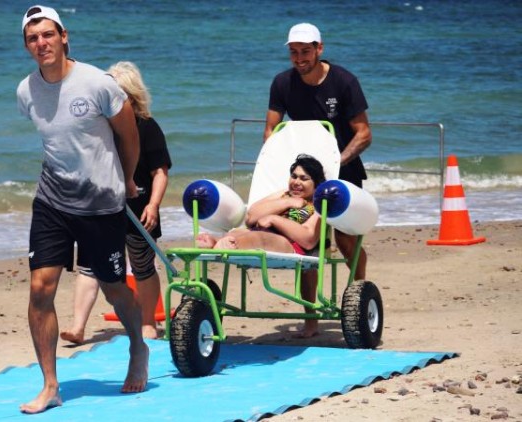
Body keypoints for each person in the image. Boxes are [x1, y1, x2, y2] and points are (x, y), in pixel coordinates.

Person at [16, 5, 148, 414]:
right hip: (52, 201)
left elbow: (129, 137)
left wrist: (125, 182)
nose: (42, 43)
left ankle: (139, 348)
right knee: (40, 288)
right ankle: (51, 385)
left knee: (112, 288)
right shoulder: (26, 92)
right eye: (33, 38)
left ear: (63, 36)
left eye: (47, 34)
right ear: (28, 45)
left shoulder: (98, 84)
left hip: (101, 204)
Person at [264, 23, 372, 333]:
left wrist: (336, 164)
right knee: (308, 246)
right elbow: (271, 130)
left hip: (344, 172)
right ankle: (310, 317)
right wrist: (281, 169)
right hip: (307, 177)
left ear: (319, 49)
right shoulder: (282, 83)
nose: (299, 58)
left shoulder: (344, 82)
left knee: (346, 240)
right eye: (294, 52)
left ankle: (357, 300)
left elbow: (364, 134)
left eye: (306, 51)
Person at [61, 61, 172, 344]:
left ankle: (148, 321)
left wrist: (154, 205)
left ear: (131, 96)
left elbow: (160, 171)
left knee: (143, 265)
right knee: (90, 266)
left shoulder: (147, 126)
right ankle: (78, 326)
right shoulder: (97, 127)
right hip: (99, 207)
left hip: (139, 208)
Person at [196, 154, 326, 338]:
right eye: (294, 176)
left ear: (316, 183)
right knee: (241, 231)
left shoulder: (319, 205)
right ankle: (222, 242)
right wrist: (287, 202)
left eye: (304, 179)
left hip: (290, 243)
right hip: (257, 233)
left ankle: (225, 244)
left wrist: (274, 219)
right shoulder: (282, 195)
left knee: (260, 237)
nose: (297, 182)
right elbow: (251, 216)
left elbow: (308, 238)